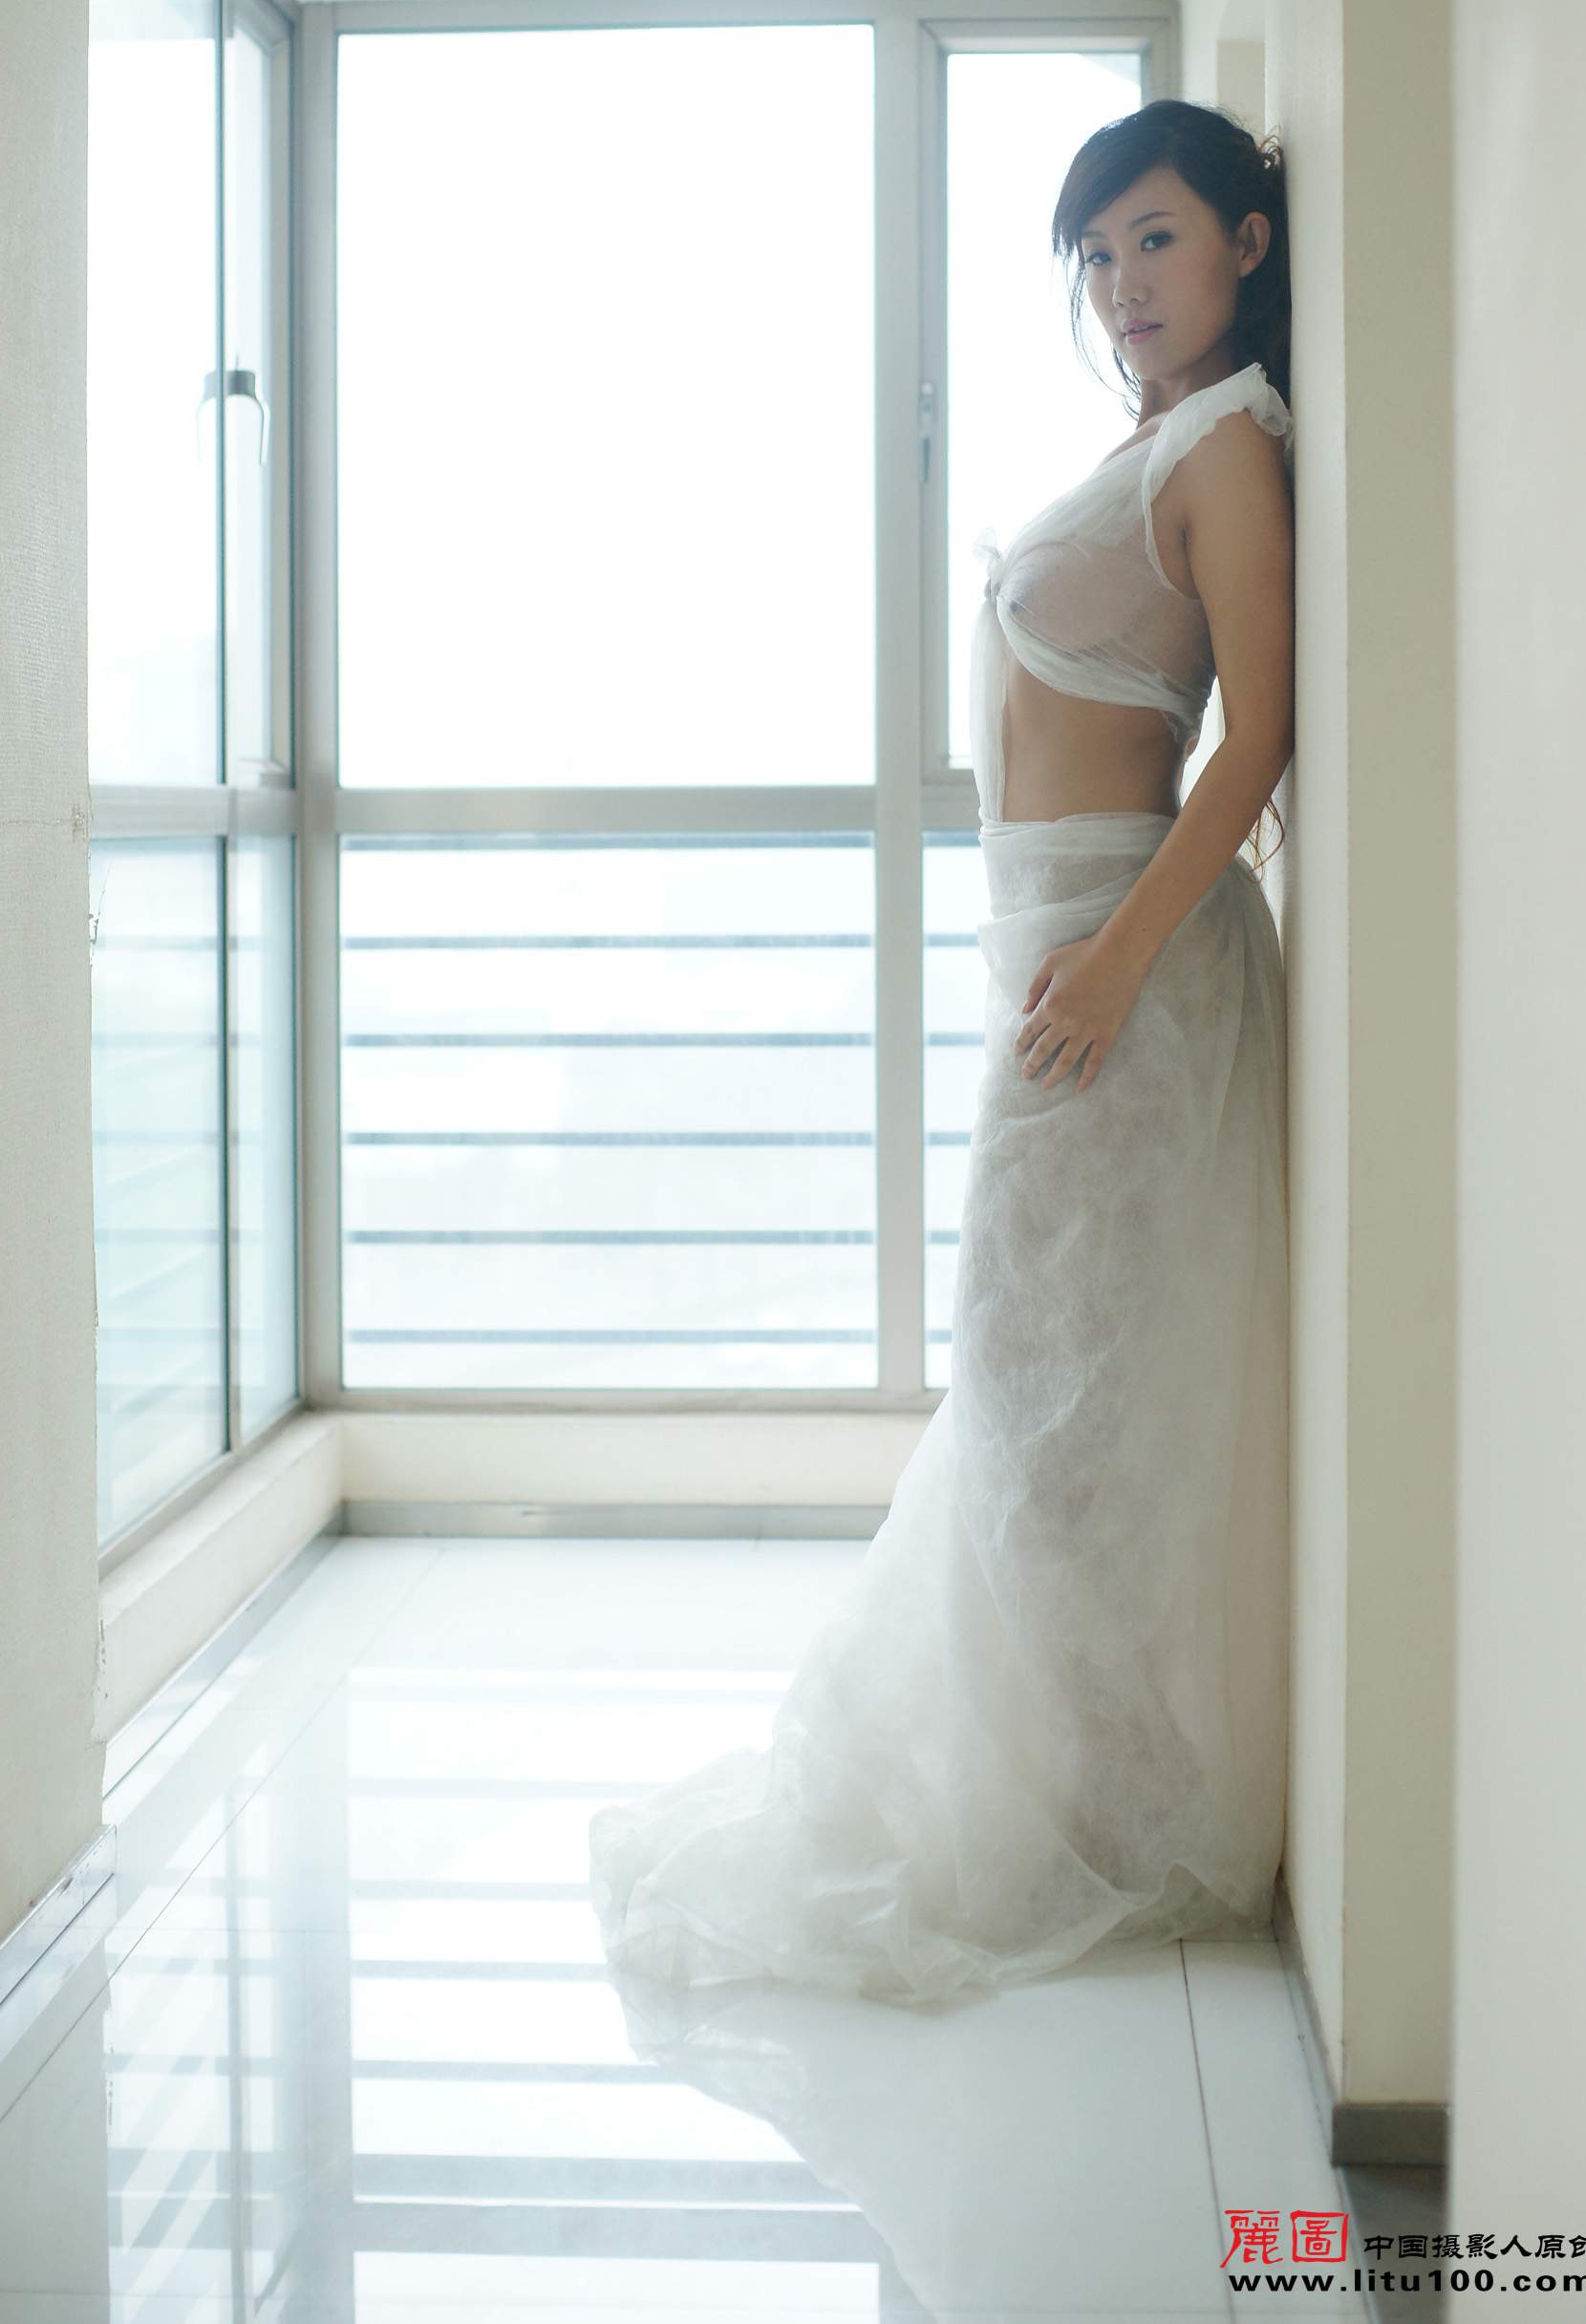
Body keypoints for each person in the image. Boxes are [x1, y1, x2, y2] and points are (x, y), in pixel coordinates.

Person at [587, 97, 1296, 2009]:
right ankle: (1062, 1786)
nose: (1120, 282)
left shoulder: (1230, 446)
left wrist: (1115, 966)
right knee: (1041, 1385)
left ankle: (1098, 1811)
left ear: (1243, 241)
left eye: (1155, 238)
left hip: (1121, 961)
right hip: (1062, 948)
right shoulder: (1159, 439)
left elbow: (1256, 739)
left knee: (1059, 1394)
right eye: (1097, 253)